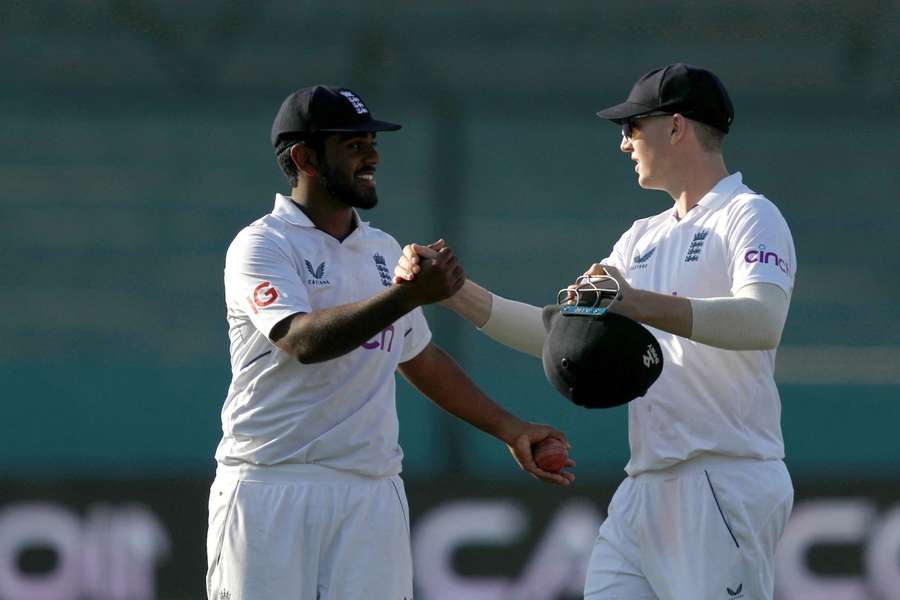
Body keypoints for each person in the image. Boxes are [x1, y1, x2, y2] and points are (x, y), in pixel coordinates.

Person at [395, 64, 797, 599]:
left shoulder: (749, 216)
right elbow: (557, 333)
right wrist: (452, 291)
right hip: (644, 487)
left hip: (723, 478)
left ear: (676, 128)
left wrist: (636, 303)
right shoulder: (640, 239)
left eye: (633, 127)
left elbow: (762, 321)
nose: (624, 143)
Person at [206, 85, 574, 600]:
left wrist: (509, 429)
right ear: (304, 158)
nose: (372, 156)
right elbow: (302, 340)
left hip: (370, 491)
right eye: (354, 146)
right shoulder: (263, 244)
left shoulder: (381, 250)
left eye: (372, 143)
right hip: (271, 485)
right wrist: (405, 296)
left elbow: (419, 358)